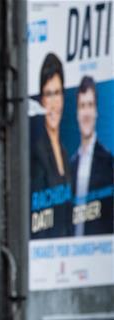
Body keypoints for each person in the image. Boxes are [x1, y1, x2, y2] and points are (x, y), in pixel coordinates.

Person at [29, 52, 73, 239]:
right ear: (41, 100)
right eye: (48, 94)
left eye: (57, 93)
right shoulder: (36, 152)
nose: (53, 103)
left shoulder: (65, 152)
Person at [70, 75, 113, 236]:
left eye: (90, 105)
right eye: (82, 106)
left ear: (96, 112)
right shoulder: (71, 165)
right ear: (77, 113)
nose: (86, 112)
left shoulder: (108, 162)